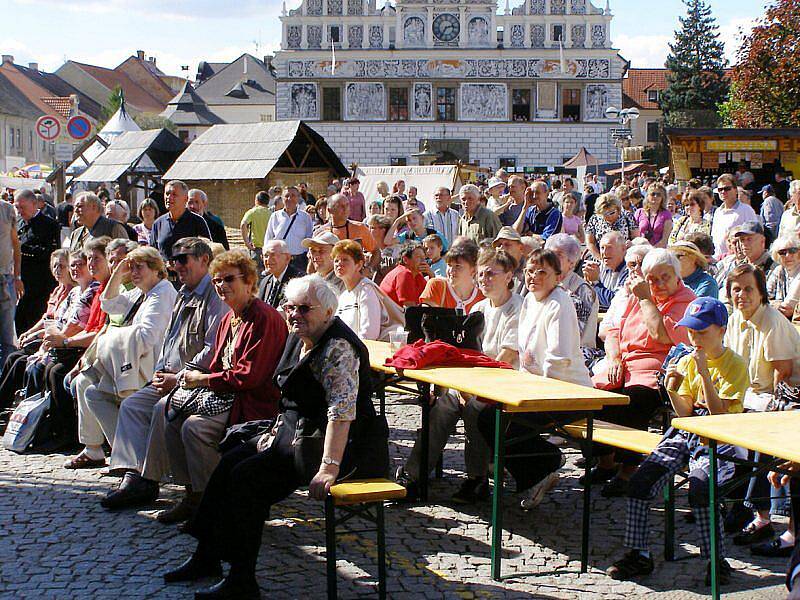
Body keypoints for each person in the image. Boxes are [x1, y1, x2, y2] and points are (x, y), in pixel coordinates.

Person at [164, 275, 388, 599]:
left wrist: (328, 467)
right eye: (290, 307)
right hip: (298, 436)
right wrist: (272, 432)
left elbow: (341, 413)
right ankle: (207, 556)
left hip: (341, 449)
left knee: (247, 479)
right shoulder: (300, 335)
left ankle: (242, 580)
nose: (295, 314)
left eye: (304, 308)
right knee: (228, 462)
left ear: (328, 312)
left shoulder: (338, 347)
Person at [607, 297, 748, 584]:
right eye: (692, 332)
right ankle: (639, 554)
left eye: (702, 332)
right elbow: (684, 411)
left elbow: (719, 414)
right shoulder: (687, 360)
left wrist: (706, 373)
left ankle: (715, 559)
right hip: (686, 432)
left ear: (721, 330)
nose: (695, 338)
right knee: (640, 482)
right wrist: (671, 390)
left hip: (719, 438)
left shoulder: (734, 364)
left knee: (700, 490)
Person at [151, 250, 288, 523]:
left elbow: (249, 377)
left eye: (229, 279)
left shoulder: (263, 318)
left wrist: (200, 380)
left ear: (249, 282)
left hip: (251, 402)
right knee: (166, 410)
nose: (221, 286)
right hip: (226, 395)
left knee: (195, 428)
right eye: (216, 281)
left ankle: (213, 501)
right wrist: (185, 379)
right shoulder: (230, 318)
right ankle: (191, 494)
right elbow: (217, 365)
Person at [99, 238, 228, 510]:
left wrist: (179, 377)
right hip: (169, 377)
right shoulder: (184, 293)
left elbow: (212, 349)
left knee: (161, 409)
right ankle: (134, 476)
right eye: (174, 259)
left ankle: (155, 482)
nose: (177, 265)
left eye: (184, 259)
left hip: (197, 381)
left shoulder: (213, 295)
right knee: (132, 406)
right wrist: (160, 371)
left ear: (204, 260)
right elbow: (170, 340)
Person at [397, 248, 520, 504]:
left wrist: (473, 389)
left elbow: (506, 357)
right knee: (442, 405)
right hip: (474, 379)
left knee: (475, 409)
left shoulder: (517, 308)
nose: (485, 280)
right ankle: (413, 475)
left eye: (491, 275)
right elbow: (467, 352)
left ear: (508, 276)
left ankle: (477, 479)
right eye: (482, 275)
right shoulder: (481, 308)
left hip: (504, 383)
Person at [479, 249, 592, 510]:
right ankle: (543, 465)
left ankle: (541, 469)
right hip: (534, 385)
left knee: (508, 421)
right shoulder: (529, 300)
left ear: (558, 276)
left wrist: (535, 394)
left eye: (542, 272)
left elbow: (558, 357)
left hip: (567, 391)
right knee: (486, 415)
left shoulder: (560, 303)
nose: (534, 277)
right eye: (530, 271)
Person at [588, 249, 695, 497]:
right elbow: (614, 330)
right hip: (625, 362)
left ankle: (629, 469)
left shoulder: (684, 300)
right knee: (593, 396)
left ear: (677, 277)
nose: (658, 284)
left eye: (664, 277)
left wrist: (647, 299)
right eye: (652, 278)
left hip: (658, 369)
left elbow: (661, 334)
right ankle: (606, 461)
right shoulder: (638, 296)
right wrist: (614, 358)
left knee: (633, 399)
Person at [64, 247, 178, 469]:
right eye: (131, 267)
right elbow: (109, 304)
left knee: (93, 392)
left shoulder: (162, 293)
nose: (134, 272)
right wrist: (118, 273)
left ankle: (130, 458)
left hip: (150, 369)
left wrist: (110, 339)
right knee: (86, 386)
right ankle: (104, 450)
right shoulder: (141, 293)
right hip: (133, 364)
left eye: (139, 267)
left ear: (156, 269)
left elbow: (147, 337)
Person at [724, 264, 800, 553]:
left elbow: (783, 374)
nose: (742, 295)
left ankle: (761, 516)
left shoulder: (772, 321)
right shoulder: (735, 320)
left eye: (748, 289)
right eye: (736, 289)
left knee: (758, 438)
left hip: (783, 399)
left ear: (761, 292)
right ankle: (733, 502)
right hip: (750, 396)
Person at [0, 250, 75, 416]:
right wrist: (29, 332)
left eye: (61, 266)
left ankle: (26, 411)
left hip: (54, 340)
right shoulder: (57, 290)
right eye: (54, 266)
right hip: (45, 336)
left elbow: (57, 325)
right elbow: (46, 317)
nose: (57, 270)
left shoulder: (72, 292)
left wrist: (34, 335)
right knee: (13, 357)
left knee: (20, 361)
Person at [14, 189, 60, 333]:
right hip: (22, 281)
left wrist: (21, 250)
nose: (20, 211)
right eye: (17, 208)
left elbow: (49, 253)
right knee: (20, 320)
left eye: (23, 207)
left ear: (34, 204)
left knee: (35, 320)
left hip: (41, 283)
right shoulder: (18, 223)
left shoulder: (49, 225)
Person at [333, 240, 390, 340]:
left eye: (345, 260)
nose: (339, 264)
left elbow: (369, 334)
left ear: (359, 265)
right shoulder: (343, 295)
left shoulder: (366, 290)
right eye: (336, 260)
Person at [715, 221, 774, 306]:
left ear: (762, 241)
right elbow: (726, 295)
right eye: (742, 240)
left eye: (749, 239)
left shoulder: (773, 266)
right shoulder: (738, 267)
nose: (744, 244)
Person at [150, 181, 211, 261]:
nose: (169, 197)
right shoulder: (158, 224)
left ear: (185, 199)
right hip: (164, 272)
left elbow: (206, 252)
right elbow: (152, 253)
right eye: (167, 194)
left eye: (174, 194)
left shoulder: (197, 222)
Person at [419, 237, 484, 313]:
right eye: (449, 265)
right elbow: (427, 321)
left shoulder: (482, 297)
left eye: (458, 266)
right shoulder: (436, 286)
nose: (451, 270)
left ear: (473, 270)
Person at [264, 186, 314, 272]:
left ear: (298, 198)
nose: (289, 198)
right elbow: (268, 239)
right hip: (279, 259)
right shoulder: (275, 216)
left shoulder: (305, 217)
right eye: (286, 196)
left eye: (293, 195)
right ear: (282, 199)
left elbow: (309, 239)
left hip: (299, 261)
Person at [711, 173, 758, 259]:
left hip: (739, 259)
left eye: (727, 189)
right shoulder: (718, 212)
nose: (723, 192)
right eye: (720, 189)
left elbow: (755, 236)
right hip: (720, 259)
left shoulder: (746, 210)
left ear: (736, 190)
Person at [0, 195, 22, 367]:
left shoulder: (7, 210)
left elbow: (16, 244)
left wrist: (17, 277)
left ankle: (5, 381)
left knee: (7, 334)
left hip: (5, 278)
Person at [583, 231, 629, 311]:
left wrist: (595, 282)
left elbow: (613, 302)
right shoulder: (599, 268)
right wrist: (587, 283)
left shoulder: (629, 271)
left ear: (623, 249)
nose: (604, 252)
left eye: (609, 247)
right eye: (602, 248)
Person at [585, 193, 638, 259]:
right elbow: (590, 242)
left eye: (612, 213)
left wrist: (631, 244)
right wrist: (600, 259)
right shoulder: (594, 219)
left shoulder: (628, 216)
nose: (609, 216)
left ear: (618, 210)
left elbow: (636, 239)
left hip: (624, 259)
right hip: (601, 258)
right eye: (604, 214)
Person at [379, 241, 429, 307]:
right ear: (405, 260)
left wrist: (430, 273)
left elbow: (430, 300)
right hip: (393, 316)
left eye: (424, 257)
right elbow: (410, 309)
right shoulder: (404, 274)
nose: (423, 261)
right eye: (418, 257)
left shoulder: (417, 275)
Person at [257, 240, 304, 309]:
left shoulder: (298, 280)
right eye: (266, 256)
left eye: (273, 255)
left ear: (287, 258)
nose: (268, 260)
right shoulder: (265, 281)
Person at [767, 235, 800, 316]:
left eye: (792, 250)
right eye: (782, 252)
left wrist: (772, 304)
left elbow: (787, 307)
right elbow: (763, 298)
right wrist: (775, 304)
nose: (788, 255)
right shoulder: (778, 270)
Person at [240, 191, 271, 273]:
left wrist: (247, 243)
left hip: (255, 249)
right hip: (269, 249)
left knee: (255, 275)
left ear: (256, 200)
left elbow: (243, 225)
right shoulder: (272, 213)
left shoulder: (252, 212)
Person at [635, 183, 673, 248]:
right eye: (653, 194)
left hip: (658, 251)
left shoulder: (666, 214)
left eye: (658, 195)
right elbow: (635, 236)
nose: (655, 196)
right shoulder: (639, 212)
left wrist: (650, 251)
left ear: (663, 197)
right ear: (647, 196)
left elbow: (664, 240)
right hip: (640, 249)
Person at [492, 227, 527, 295]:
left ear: (520, 248)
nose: (501, 248)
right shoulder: (491, 272)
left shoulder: (529, 272)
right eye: (499, 245)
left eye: (507, 245)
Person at [365, 214, 397, 284]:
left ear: (383, 230)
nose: (368, 230)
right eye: (368, 227)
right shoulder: (368, 248)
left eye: (372, 228)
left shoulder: (395, 248)